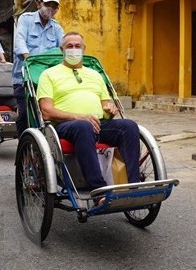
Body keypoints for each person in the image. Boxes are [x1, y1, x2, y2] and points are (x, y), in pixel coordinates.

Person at [36, 32, 140, 190]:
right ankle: (98, 189)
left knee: (129, 126)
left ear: (84, 49)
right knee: (83, 126)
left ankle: (134, 184)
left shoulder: (95, 75)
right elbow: (46, 111)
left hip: (98, 123)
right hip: (66, 125)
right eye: (69, 46)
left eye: (78, 46)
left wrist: (110, 110)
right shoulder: (49, 74)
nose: (74, 49)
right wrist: (78, 117)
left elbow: (106, 106)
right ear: (61, 50)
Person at [13, 0, 65, 137]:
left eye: (54, 6)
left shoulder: (56, 27)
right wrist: (27, 56)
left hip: (48, 79)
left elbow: (64, 46)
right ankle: (23, 148)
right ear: (38, 4)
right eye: (47, 4)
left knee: (50, 112)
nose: (51, 8)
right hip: (24, 78)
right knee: (24, 114)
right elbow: (20, 40)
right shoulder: (26, 19)